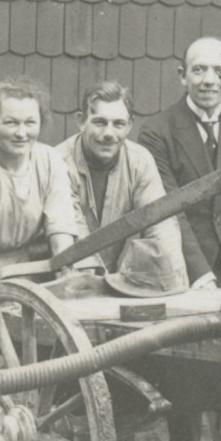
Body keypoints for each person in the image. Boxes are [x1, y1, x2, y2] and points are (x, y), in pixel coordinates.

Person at [137, 36, 221, 441]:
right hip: (187, 264)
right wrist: (199, 273)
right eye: (199, 70)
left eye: (219, 72)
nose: (208, 81)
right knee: (182, 362)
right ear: (182, 76)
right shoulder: (157, 131)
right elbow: (168, 207)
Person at [57, 82, 188, 295]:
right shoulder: (59, 162)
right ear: (81, 121)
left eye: (118, 124)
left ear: (130, 125)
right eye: (99, 122)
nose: (109, 133)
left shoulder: (140, 161)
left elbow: (161, 225)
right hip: (73, 281)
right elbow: (75, 238)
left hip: (122, 283)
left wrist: (175, 289)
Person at [0, 79, 83, 277]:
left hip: (26, 264)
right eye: (11, 123)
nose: (21, 133)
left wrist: (66, 278)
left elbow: (61, 231)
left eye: (30, 123)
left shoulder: (50, 160)